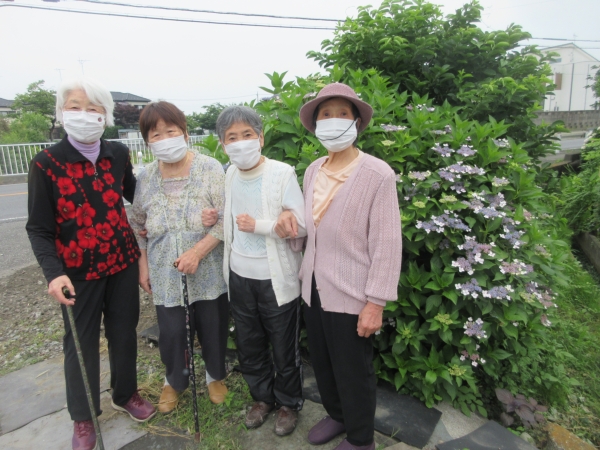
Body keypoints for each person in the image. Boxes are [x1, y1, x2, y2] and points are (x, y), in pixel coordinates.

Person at [26, 78, 156, 450]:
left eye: (93, 109)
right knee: (80, 344)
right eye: (75, 107)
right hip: (76, 272)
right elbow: (38, 228)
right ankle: (83, 417)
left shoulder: (117, 154)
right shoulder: (46, 164)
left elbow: (134, 195)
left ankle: (125, 394)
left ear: (105, 115)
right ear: (61, 113)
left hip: (121, 261)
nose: (84, 115)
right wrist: (54, 274)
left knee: (124, 332)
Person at [279, 82, 402, 450]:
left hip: (352, 292)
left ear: (356, 122)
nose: (333, 120)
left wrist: (376, 302)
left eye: (342, 114)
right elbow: (310, 228)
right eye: (325, 114)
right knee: (323, 361)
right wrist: (290, 228)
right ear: (316, 125)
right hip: (313, 286)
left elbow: (387, 243)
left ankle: (361, 439)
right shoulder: (313, 169)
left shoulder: (378, 174)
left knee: (353, 370)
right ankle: (337, 415)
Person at [203, 105, 306, 436]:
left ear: (260, 138)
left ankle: (289, 403)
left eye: (247, 134)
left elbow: (302, 225)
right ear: (223, 145)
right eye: (232, 137)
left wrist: (260, 225)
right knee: (249, 343)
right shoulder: (230, 174)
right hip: (239, 276)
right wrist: (213, 217)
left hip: (275, 279)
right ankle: (262, 398)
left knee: (284, 346)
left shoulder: (282, 173)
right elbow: (231, 217)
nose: (240, 142)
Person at [129, 101, 229, 414]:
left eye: (170, 131)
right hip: (164, 270)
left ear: (184, 133)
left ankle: (215, 375)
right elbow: (137, 223)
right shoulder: (145, 176)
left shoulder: (210, 167)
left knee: (212, 324)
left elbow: (226, 218)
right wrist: (142, 264)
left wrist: (198, 251)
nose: (164, 139)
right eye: (155, 135)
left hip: (208, 266)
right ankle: (173, 380)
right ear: (147, 142)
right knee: (172, 331)